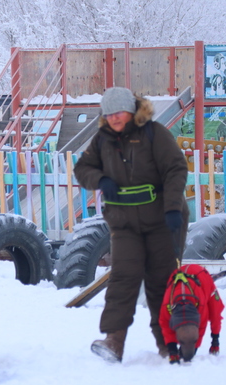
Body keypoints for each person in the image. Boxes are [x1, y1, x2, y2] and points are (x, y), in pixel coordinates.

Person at [73, 87, 189, 362]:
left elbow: (176, 169)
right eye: (109, 113)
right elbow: (82, 169)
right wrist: (101, 179)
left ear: (132, 111)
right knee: (123, 278)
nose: (114, 118)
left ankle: (168, 343)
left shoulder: (154, 134)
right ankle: (114, 340)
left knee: (161, 280)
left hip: (161, 219)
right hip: (124, 222)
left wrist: (173, 208)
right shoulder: (102, 140)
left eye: (119, 112)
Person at [159, 263, 224, 363]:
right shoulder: (167, 303)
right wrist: (172, 349)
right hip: (182, 282)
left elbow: (202, 326)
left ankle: (215, 340)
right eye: (182, 342)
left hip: (202, 277)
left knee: (215, 312)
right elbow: (165, 323)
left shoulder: (201, 304)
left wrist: (197, 347)